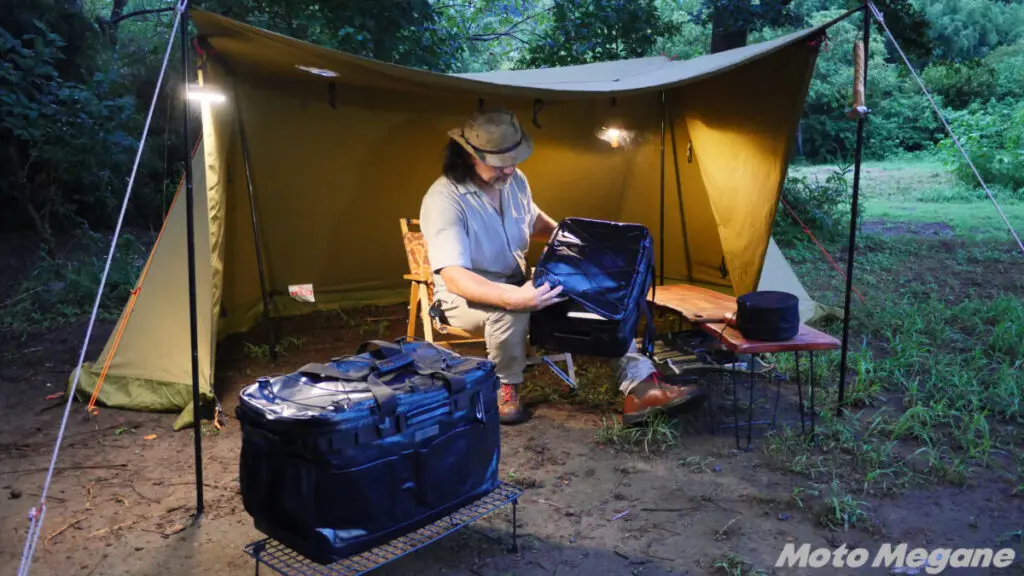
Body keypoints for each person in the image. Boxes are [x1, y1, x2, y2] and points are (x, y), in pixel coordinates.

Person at [419, 106, 705, 425]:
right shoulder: (444, 200)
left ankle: (641, 388)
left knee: (598, 295)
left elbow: (536, 222)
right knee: (509, 311)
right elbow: (456, 278)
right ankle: (505, 389)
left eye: (514, 161)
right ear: (469, 156)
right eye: (500, 163)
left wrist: (573, 248)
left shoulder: (514, 182)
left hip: (518, 280)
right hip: (463, 297)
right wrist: (514, 298)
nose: (510, 169)